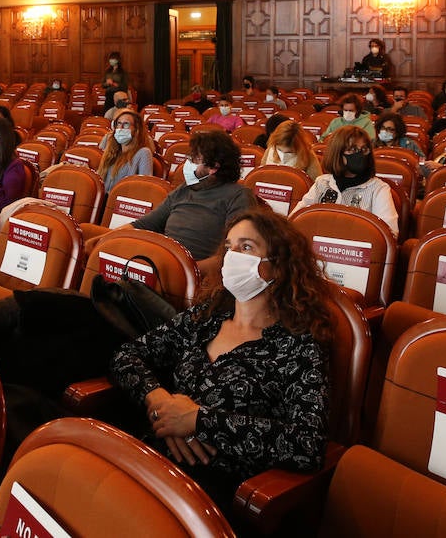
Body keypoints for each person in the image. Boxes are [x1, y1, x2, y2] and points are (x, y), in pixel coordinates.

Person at [111, 210, 334, 510]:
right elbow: (127, 355)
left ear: (279, 266)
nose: (231, 257)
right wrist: (159, 404)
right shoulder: (204, 318)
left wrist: (198, 421)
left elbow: (307, 443)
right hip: (150, 458)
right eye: (228, 248)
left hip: (208, 494)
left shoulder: (299, 346)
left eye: (246, 248)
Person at [132, 130, 257, 268]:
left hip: (198, 275)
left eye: (194, 159)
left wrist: (184, 272)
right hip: (163, 263)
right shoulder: (184, 189)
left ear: (213, 167)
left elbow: (233, 255)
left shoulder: (238, 196)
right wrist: (107, 240)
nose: (187, 163)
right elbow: (143, 225)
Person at [297, 126, 398, 232]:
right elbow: (297, 218)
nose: (359, 154)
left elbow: (389, 233)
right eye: (353, 149)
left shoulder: (379, 189)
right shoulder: (322, 183)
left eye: (364, 149)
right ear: (337, 153)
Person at [94, 108, 155, 189]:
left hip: (122, 199)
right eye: (119, 124)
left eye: (126, 124)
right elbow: (100, 178)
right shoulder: (112, 151)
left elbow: (144, 187)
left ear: (136, 129)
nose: (121, 128)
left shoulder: (143, 153)